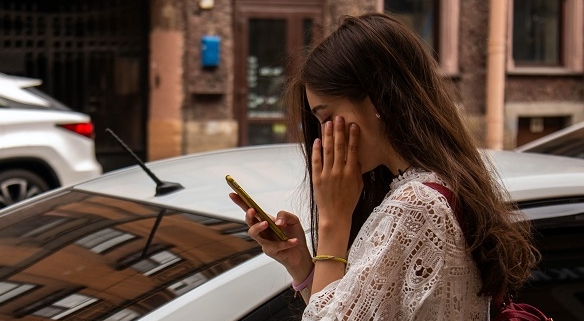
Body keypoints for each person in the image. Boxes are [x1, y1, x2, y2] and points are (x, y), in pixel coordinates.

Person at [229, 13, 538, 320]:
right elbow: (347, 307)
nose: (323, 137)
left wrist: (334, 223)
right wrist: (301, 265)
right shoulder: (431, 188)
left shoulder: (415, 207)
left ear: (378, 99)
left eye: (326, 117)